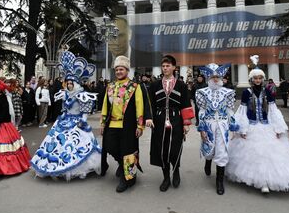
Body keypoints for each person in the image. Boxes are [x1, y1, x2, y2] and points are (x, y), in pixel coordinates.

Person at [227, 56, 289, 194]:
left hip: (266, 126)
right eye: (255, 78)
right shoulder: (246, 93)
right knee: (255, 156)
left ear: (262, 79)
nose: (257, 80)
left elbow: (273, 110)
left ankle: (269, 181)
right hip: (252, 127)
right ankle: (261, 182)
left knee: (269, 155)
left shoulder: (268, 92)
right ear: (251, 79)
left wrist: (278, 128)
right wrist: (242, 128)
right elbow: (243, 111)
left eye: (260, 78)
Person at [31, 51, 101, 180]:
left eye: (71, 83)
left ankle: (78, 168)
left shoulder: (82, 95)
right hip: (64, 121)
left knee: (77, 145)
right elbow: (64, 109)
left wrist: (83, 121)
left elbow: (85, 111)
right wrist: (63, 115)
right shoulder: (64, 94)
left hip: (78, 122)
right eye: (68, 83)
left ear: (76, 84)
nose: (69, 85)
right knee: (55, 143)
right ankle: (53, 165)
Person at [100, 55, 150, 193]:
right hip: (112, 124)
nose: (119, 72)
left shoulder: (134, 87)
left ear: (127, 70)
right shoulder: (110, 86)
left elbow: (140, 106)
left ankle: (126, 178)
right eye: (117, 70)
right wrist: (103, 123)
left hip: (128, 125)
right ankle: (122, 165)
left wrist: (140, 126)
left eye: (121, 69)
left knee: (127, 151)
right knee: (110, 146)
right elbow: (105, 105)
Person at [147, 55, 195, 192]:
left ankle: (176, 170)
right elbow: (150, 103)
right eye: (163, 66)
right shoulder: (155, 84)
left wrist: (186, 123)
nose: (165, 68)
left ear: (174, 67)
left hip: (176, 121)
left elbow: (186, 104)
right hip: (159, 121)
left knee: (175, 148)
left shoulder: (181, 85)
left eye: (168, 66)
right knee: (162, 150)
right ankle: (166, 177)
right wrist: (149, 118)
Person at [195, 62, 237, 195]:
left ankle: (219, 182)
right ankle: (208, 161)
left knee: (222, 151)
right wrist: (201, 128)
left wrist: (233, 126)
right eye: (212, 76)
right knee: (209, 150)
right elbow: (201, 111)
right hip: (208, 125)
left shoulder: (228, 92)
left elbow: (230, 110)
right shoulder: (201, 92)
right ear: (208, 77)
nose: (215, 78)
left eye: (218, 76)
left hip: (223, 126)